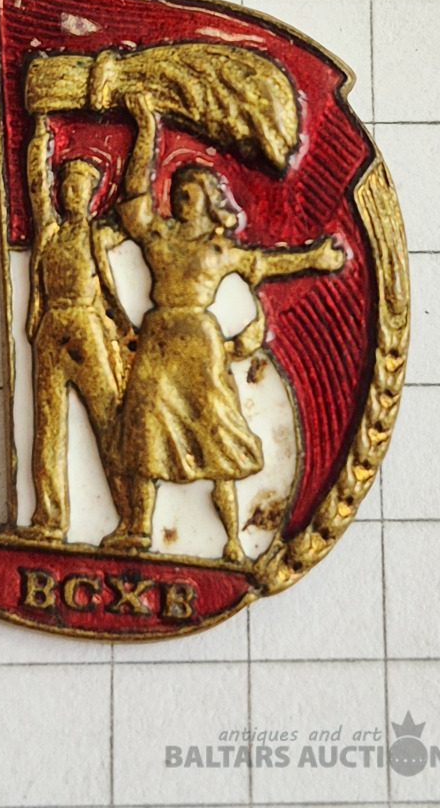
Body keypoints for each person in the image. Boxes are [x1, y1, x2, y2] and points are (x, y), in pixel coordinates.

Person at [102, 93, 346, 563]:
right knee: (143, 431)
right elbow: (133, 198)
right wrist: (146, 131)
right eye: (176, 189)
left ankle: (234, 540)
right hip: (158, 339)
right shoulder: (157, 236)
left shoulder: (220, 251)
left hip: (200, 342)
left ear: (209, 200)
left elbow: (267, 264)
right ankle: (137, 528)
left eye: (189, 190)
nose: (179, 195)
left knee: (215, 435)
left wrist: (314, 258)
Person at [21, 115, 132, 542]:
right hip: (51, 328)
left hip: (87, 326)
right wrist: (39, 139)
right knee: (47, 428)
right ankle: (49, 519)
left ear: (91, 195)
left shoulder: (99, 235)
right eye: (66, 186)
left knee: (109, 421)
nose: (71, 193)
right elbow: (37, 189)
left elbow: (132, 207)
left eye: (79, 187)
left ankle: (131, 516)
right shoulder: (49, 233)